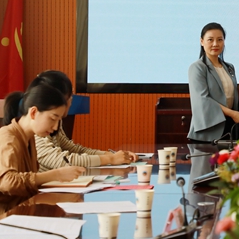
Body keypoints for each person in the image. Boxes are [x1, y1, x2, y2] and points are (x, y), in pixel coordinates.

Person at [0, 83, 86, 213]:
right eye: (53, 118)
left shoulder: (30, 137)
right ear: (33, 112)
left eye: (58, 121)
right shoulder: (8, 138)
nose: (55, 127)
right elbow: (8, 182)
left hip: (23, 211)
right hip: (7, 217)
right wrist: (57, 174)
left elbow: (27, 185)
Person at [32, 70, 137, 171]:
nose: (71, 99)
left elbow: (73, 149)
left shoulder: (54, 122)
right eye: (70, 95)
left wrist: (114, 155)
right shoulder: (37, 129)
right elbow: (61, 161)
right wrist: (110, 159)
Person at [188, 22, 239, 142]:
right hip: (208, 130)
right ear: (202, 41)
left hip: (229, 127)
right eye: (210, 40)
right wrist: (232, 114)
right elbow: (203, 99)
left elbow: (229, 98)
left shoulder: (229, 67)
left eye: (220, 40)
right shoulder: (197, 67)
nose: (215, 44)